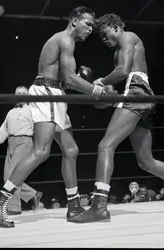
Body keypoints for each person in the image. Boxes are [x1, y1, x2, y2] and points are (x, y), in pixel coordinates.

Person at [0, 6, 116, 228]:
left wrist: (87, 86)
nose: (90, 29)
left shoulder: (66, 43)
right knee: (41, 151)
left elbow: (66, 81)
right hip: (47, 93)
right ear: (74, 21)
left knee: (71, 150)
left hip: (56, 94)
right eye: (88, 24)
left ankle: (74, 206)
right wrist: (96, 91)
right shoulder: (64, 40)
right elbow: (71, 79)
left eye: (92, 25)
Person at [71, 13, 164, 223]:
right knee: (146, 162)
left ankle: (99, 207)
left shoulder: (127, 36)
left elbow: (122, 72)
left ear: (115, 27)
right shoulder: (122, 50)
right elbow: (121, 82)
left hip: (137, 93)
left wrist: (101, 82)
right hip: (141, 96)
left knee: (105, 146)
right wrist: (104, 97)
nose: (104, 40)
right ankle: (99, 206)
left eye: (105, 34)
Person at [0, 86, 43, 215]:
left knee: (11, 176)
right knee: (6, 177)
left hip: (25, 142)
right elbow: (4, 129)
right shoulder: (10, 112)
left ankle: (14, 207)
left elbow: (38, 128)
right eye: (18, 93)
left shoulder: (31, 111)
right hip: (11, 143)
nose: (20, 95)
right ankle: (33, 194)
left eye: (23, 93)